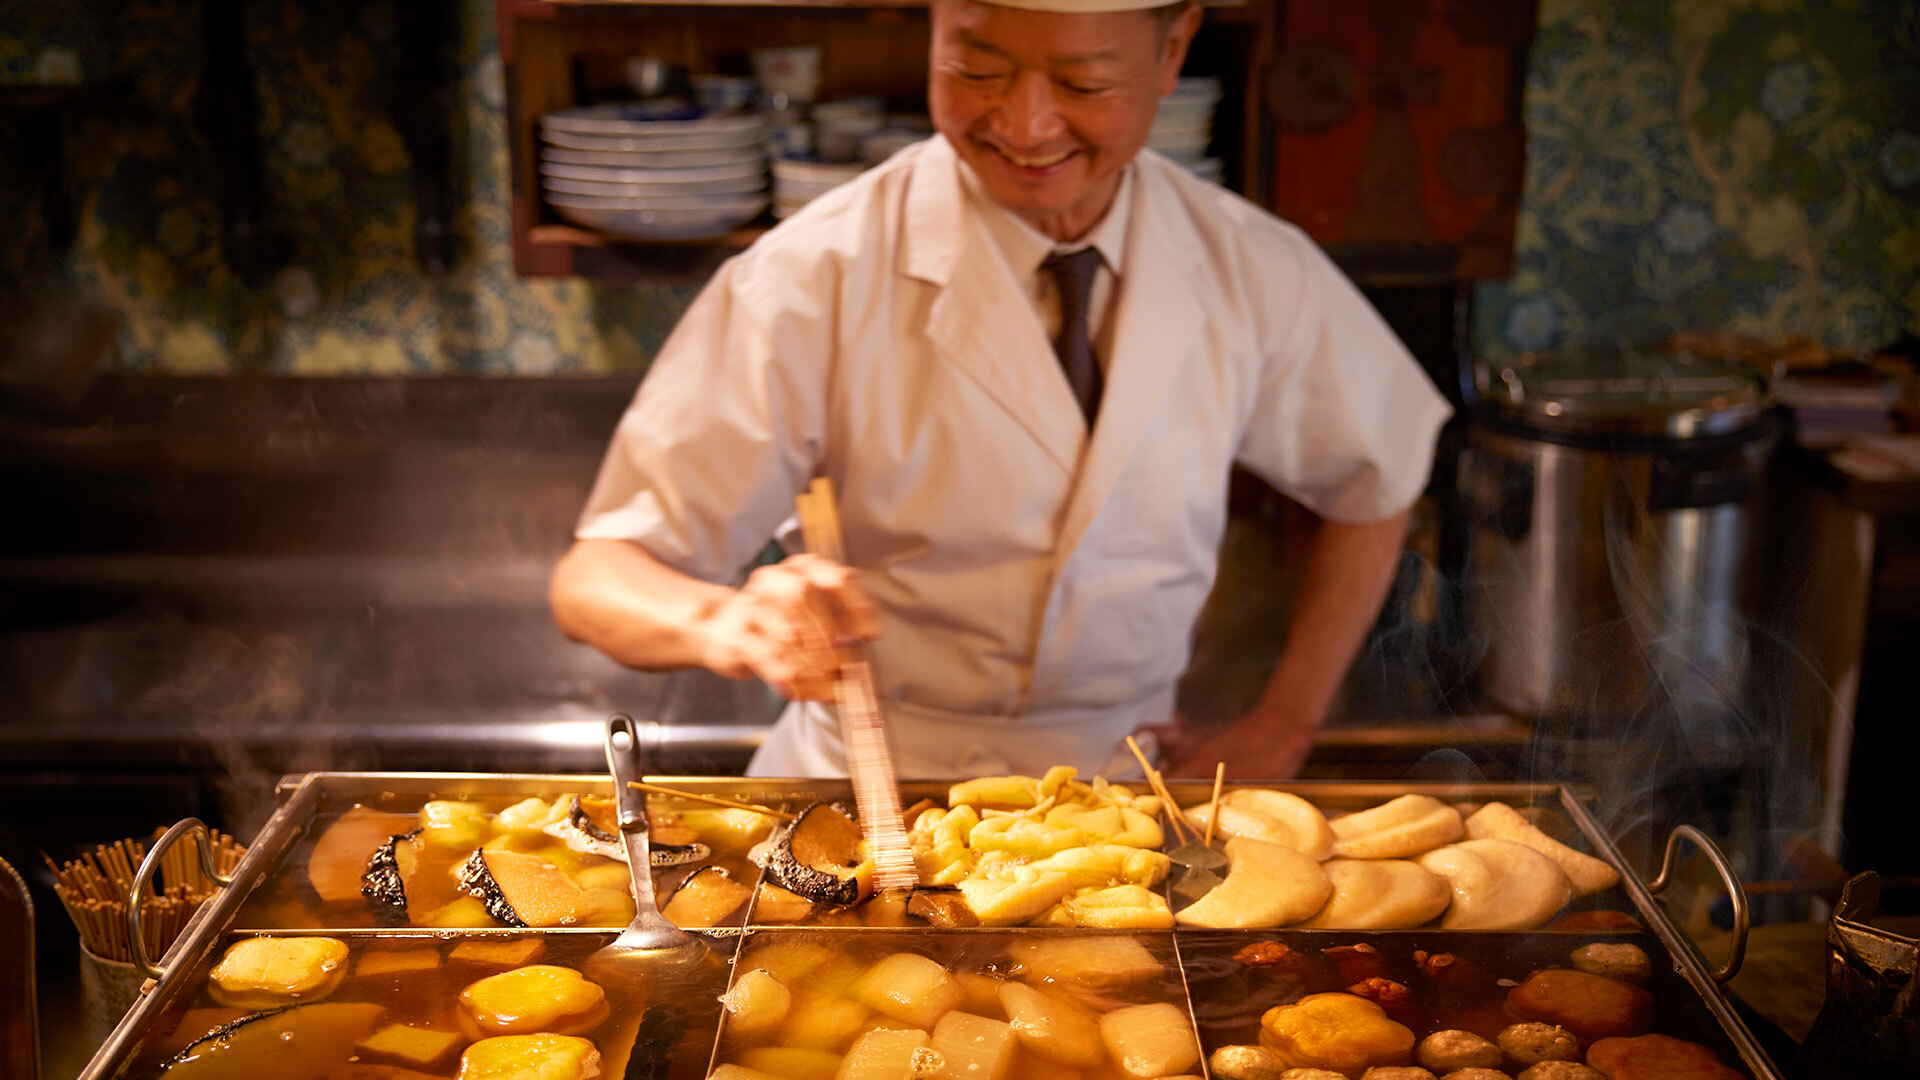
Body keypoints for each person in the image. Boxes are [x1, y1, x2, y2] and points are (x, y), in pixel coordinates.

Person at [549, 0, 1450, 780]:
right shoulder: (813, 274)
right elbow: (596, 579)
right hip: (869, 788)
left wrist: (1285, 723)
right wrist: (730, 622)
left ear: (1174, 51)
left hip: (1127, 791)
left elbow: (1378, 479)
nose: (1025, 125)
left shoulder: (1250, 265)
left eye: (1084, 83)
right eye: (975, 67)